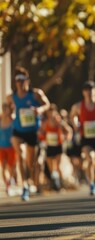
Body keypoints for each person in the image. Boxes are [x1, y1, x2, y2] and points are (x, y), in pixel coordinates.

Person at [6, 66, 50, 201]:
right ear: (15, 82)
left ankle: (29, 179)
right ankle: (24, 186)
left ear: (27, 80)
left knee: (30, 162)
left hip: (32, 131)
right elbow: (9, 109)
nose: (20, 82)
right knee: (20, 154)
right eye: (17, 80)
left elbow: (47, 104)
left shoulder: (35, 94)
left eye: (22, 79)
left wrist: (40, 110)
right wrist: (11, 114)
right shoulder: (11, 97)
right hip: (18, 131)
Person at [39, 104, 72, 191]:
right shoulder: (45, 122)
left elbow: (68, 130)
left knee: (58, 166)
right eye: (49, 111)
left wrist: (66, 137)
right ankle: (54, 184)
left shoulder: (59, 121)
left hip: (58, 145)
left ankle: (61, 184)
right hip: (49, 146)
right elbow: (40, 132)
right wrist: (41, 136)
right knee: (51, 167)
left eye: (52, 111)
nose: (51, 113)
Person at [0, 103, 16, 195]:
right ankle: (7, 186)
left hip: (11, 147)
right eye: (3, 108)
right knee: (3, 168)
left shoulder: (12, 120)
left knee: (11, 167)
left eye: (6, 109)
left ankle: (10, 181)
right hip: (1, 147)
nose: (4, 110)